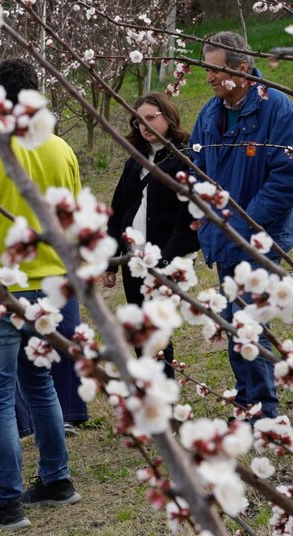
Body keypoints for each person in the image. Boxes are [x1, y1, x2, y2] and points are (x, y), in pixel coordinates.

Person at [0, 58, 82, 530]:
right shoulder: (62, 149)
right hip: (50, 286)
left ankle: (7, 500)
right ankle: (56, 478)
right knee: (40, 383)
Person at [190, 31, 293, 419]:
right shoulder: (211, 113)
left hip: (260, 238)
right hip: (223, 237)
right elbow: (196, 169)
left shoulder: (275, 108)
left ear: (242, 69)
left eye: (215, 69)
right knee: (233, 322)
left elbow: (292, 175)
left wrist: (244, 222)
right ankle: (249, 402)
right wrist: (203, 215)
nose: (208, 78)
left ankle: (262, 411)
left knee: (246, 323)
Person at [104, 93, 200, 379]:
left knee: (156, 333)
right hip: (134, 261)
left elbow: (188, 219)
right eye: (138, 120)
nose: (144, 126)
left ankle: (162, 403)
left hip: (168, 262)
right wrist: (111, 261)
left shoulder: (184, 161)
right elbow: (117, 211)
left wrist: (166, 263)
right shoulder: (134, 162)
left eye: (151, 118)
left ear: (168, 117)